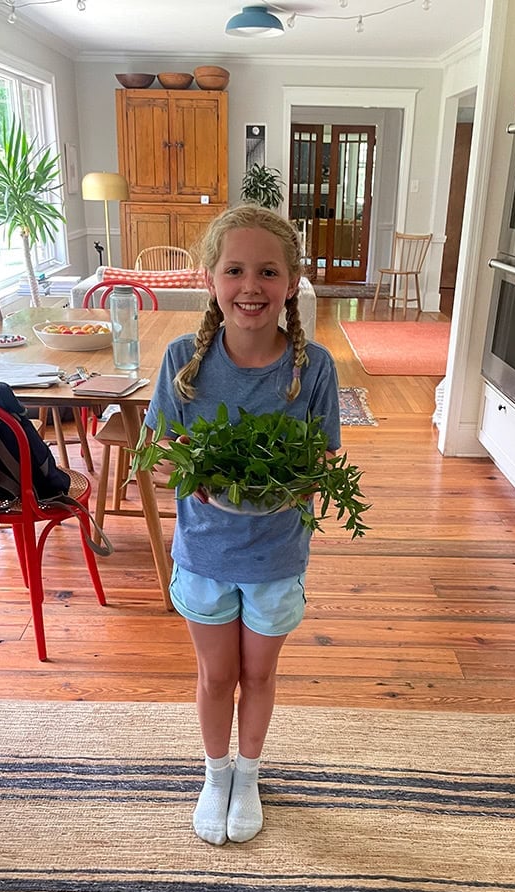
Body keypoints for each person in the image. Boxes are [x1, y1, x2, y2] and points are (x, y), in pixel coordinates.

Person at [144, 204, 340, 845]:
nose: (250, 286)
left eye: (268, 271)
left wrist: (291, 480)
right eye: (235, 270)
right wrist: (188, 470)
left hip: (276, 556)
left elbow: (323, 461)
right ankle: (215, 772)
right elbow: (160, 450)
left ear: (291, 285)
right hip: (204, 550)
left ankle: (248, 773)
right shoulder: (183, 360)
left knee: (258, 674)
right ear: (210, 280)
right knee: (215, 676)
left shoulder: (313, 369)